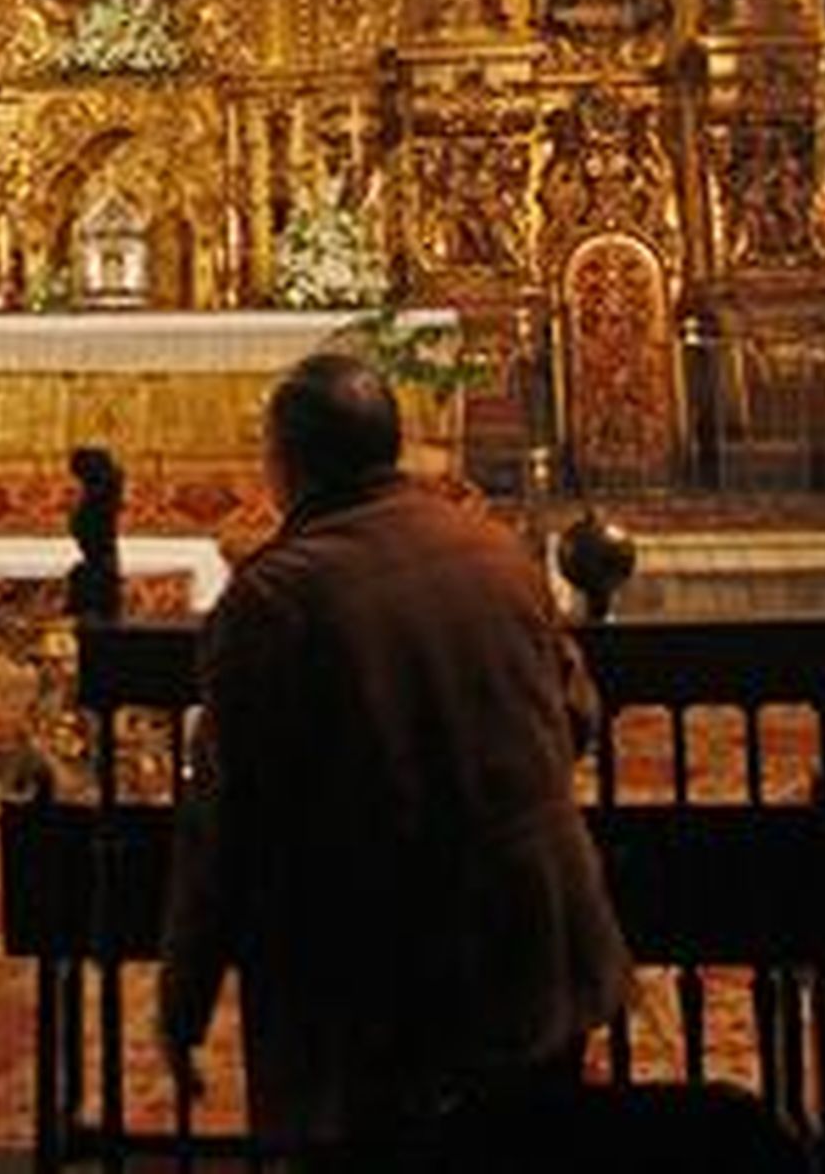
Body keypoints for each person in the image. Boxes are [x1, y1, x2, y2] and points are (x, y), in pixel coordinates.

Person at [158, 348, 631, 1171]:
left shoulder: (272, 602)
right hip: (539, 942)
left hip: (381, 974)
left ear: (286, 464)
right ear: (391, 447)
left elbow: (228, 823)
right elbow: (577, 715)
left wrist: (184, 996)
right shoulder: (496, 552)